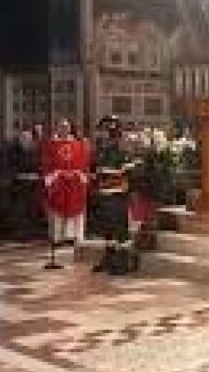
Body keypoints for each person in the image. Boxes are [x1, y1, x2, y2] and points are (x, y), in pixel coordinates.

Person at [92, 116, 139, 275]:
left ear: (112, 131)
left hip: (118, 194)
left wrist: (107, 173)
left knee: (120, 229)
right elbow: (98, 168)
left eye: (104, 130)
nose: (100, 133)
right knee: (108, 230)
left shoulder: (122, 147)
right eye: (101, 130)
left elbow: (129, 170)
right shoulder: (102, 148)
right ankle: (110, 258)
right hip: (104, 193)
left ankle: (124, 262)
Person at [40, 119, 91, 251]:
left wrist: (77, 174)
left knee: (75, 206)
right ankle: (57, 237)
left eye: (66, 127)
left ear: (70, 128)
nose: (64, 129)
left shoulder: (79, 144)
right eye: (61, 127)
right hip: (58, 182)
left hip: (75, 182)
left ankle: (73, 236)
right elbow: (46, 162)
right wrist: (54, 175)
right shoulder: (51, 145)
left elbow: (84, 162)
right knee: (57, 207)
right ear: (57, 128)